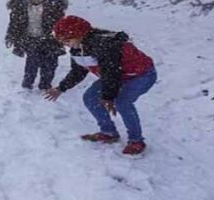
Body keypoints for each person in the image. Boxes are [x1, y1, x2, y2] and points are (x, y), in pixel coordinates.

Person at [44, 16, 157, 155]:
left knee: (122, 103)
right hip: (118, 75)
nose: (65, 44)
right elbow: (78, 71)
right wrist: (61, 88)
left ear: (80, 34)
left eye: (67, 40)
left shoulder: (105, 44)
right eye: (61, 41)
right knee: (90, 98)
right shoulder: (77, 49)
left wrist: (108, 97)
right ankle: (108, 132)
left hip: (141, 75)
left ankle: (136, 141)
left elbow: (112, 72)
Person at [5, 0, 67, 90]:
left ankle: (45, 85)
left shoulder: (55, 5)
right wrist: (11, 36)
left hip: (50, 40)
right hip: (30, 39)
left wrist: (64, 37)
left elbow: (61, 23)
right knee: (32, 63)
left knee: (50, 64)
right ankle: (27, 85)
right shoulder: (19, 5)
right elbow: (14, 23)